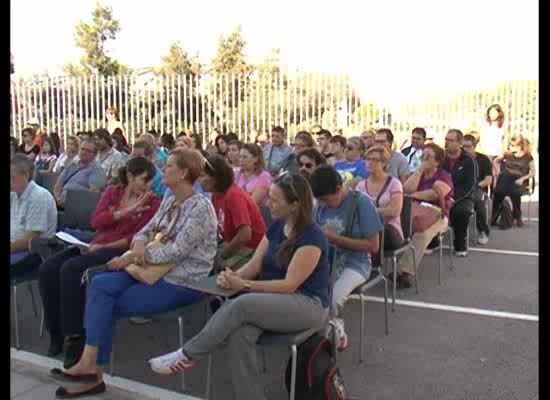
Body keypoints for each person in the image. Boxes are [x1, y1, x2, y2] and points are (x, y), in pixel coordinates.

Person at [50, 149, 218, 398]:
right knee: (99, 285)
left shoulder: (201, 208)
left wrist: (135, 255)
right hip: (149, 270)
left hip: (182, 280)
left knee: (105, 303)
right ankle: (89, 366)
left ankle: (92, 374)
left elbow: (177, 251)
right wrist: (139, 244)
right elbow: (145, 231)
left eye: (169, 166)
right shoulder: (170, 199)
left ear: (184, 173)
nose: (163, 171)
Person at [148, 173, 330, 400]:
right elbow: (254, 265)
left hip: (308, 304)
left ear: (294, 205)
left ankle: (187, 355)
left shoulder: (312, 237)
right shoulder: (277, 227)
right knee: (240, 334)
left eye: (275, 200)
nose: (268, 203)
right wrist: (232, 276)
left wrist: (242, 284)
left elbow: (289, 285)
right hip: (277, 301)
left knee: (241, 303)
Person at [38, 157, 161, 368]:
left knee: (71, 270)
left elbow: (136, 238)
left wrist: (102, 247)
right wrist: (125, 211)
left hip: (118, 251)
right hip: (94, 243)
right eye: (143, 180)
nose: (147, 186)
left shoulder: (153, 202)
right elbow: (96, 221)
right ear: (130, 177)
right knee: (48, 267)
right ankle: (55, 330)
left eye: (150, 181)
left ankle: (75, 337)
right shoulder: (114, 192)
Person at [310, 165, 383, 351]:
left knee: (332, 298)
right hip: (325, 262)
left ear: (338, 189)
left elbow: (373, 246)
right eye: (321, 201)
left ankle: (335, 332)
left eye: (327, 200)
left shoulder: (361, 203)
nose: (324, 205)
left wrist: (336, 240)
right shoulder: (318, 205)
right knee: (306, 293)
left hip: (355, 263)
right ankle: (320, 331)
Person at [399, 143, 453, 287]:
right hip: (415, 210)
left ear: (437, 162)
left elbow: (434, 194)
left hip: (437, 214)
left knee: (422, 234)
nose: (424, 159)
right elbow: (406, 188)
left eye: (428, 157)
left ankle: (405, 272)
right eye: (422, 156)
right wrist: (420, 170)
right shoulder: (419, 174)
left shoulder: (444, 176)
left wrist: (413, 195)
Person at [201, 155, 266, 271]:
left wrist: (223, 255)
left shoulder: (234, 196)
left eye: (202, 175)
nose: (199, 180)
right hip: (233, 245)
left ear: (215, 178)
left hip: (251, 249)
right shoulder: (216, 195)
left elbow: (245, 235)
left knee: (215, 268)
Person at [11, 155, 57, 271]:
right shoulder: (13, 194)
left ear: (26, 175)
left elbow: (29, 241)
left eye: (12, 178)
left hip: (33, 253)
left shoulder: (38, 196)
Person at [356, 146, 404, 254]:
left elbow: (394, 211)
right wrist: (382, 210)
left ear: (384, 163)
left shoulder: (394, 183)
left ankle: (375, 269)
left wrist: (369, 210)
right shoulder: (360, 186)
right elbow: (356, 210)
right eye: (368, 159)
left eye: (375, 160)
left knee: (375, 230)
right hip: (365, 228)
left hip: (390, 230)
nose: (370, 163)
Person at [443, 129, 477, 256]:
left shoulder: (469, 160)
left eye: (450, 140)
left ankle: (460, 244)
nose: (447, 143)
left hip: (462, 197)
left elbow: (470, 185)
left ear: (460, 142)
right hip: (441, 195)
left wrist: (453, 199)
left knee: (461, 211)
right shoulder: (440, 158)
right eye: (446, 139)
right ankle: (432, 241)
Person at [491, 135, 536, 227]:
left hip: (519, 179)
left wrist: (523, 178)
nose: (509, 147)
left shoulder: (528, 156)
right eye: (509, 145)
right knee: (499, 192)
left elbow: (533, 172)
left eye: (512, 145)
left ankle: (517, 215)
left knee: (514, 192)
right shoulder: (507, 154)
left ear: (519, 146)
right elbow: (495, 161)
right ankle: (494, 216)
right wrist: (497, 170)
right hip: (506, 177)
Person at [52, 139, 107, 209]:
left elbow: (92, 194)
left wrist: (70, 201)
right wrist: (57, 199)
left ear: (95, 155)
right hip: (60, 202)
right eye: (82, 149)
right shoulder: (72, 164)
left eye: (88, 151)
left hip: (78, 206)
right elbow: (58, 184)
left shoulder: (96, 170)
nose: (84, 152)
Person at [462, 134, 492, 244]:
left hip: (477, 188)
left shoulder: (483, 159)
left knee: (479, 201)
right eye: (463, 147)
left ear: (474, 146)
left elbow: (488, 180)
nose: (465, 149)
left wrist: (476, 185)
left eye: (468, 147)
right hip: (460, 188)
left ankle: (483, 231)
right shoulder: (459, 159)